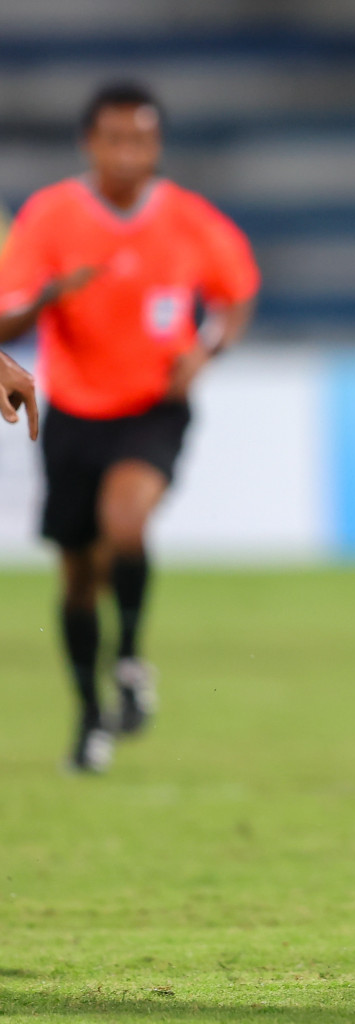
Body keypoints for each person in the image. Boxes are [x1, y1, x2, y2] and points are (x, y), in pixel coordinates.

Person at [0, 82, 260, 773]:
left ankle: (131, 660)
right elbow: (7, 317)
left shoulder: (189, 219)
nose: (127, 153)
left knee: (126, 522)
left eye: (140, 140)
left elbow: (236, 295)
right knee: (79, 577)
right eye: (114, 139)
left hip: (154, 407)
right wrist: (53, 295)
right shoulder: (51, 218)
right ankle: (88, 716)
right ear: (91, 144)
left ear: (157, 146)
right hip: (76, 414)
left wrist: (204, 351)